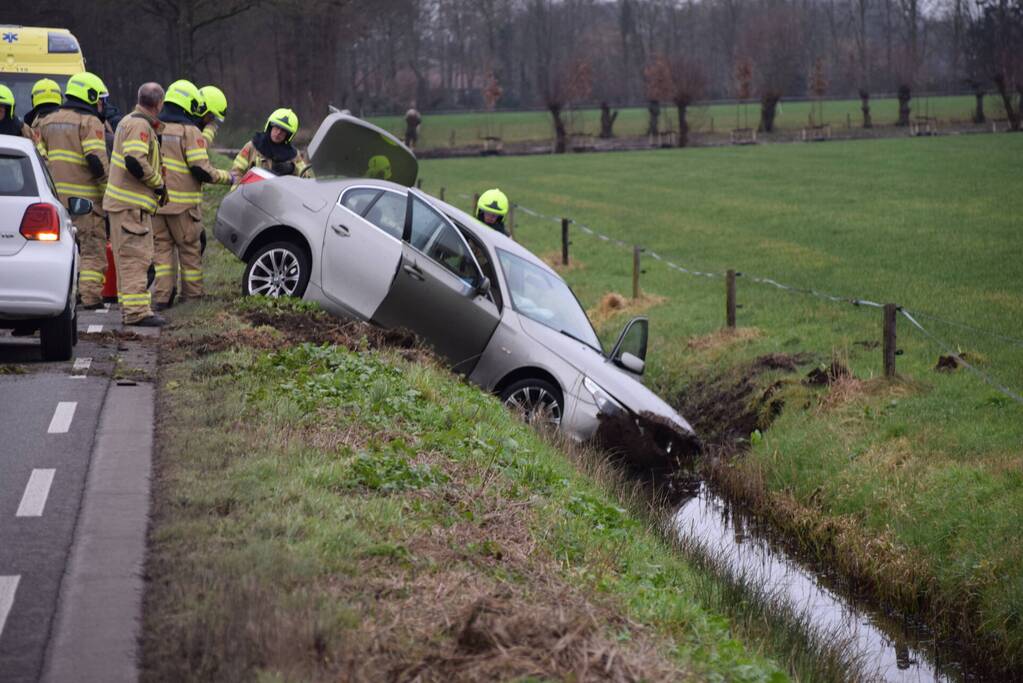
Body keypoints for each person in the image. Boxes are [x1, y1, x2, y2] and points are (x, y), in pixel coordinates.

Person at [152, 80, 234, 310]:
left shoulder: (155, 127)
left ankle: (161, 297)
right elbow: (201, 168)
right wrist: (229, 177)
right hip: (183, 206)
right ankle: (192, 297)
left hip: (157, 203)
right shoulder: (189, 132)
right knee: (190, 250)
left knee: (162, 252)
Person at [36, 72, 111, 309]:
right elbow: (96, 160)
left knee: (60, 249)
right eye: (99, 99)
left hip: (54, 200)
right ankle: (89, 296)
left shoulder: (47, 121)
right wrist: (110, 191)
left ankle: (62, 295)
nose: (101, 105)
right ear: (89, 96)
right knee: (92, 248)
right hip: (85, 201)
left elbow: (41, 158)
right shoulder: (90, 122)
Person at [102, 82, 168, 327]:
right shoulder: (140, 125)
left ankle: (133, 308)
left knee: (131, 257)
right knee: (135, 258)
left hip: (125, 205)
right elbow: (135, 160)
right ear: (159, 104)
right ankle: (137, 313)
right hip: (130, 206)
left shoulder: (128, 121)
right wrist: (157, 182)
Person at [232, 108, 311, 178]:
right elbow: (236, 173)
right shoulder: (252, 147)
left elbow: (306, 178)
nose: (278, 133)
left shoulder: (294, 155)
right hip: (253, 193)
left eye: (283, 131)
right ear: (270, 126)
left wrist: (293, 169)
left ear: (288, 135)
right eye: (276, 127)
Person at [0, 84, 46, 157]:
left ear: (9, 110)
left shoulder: (23, 130)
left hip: (16, 167)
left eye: (1, 109)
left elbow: (41, 157)